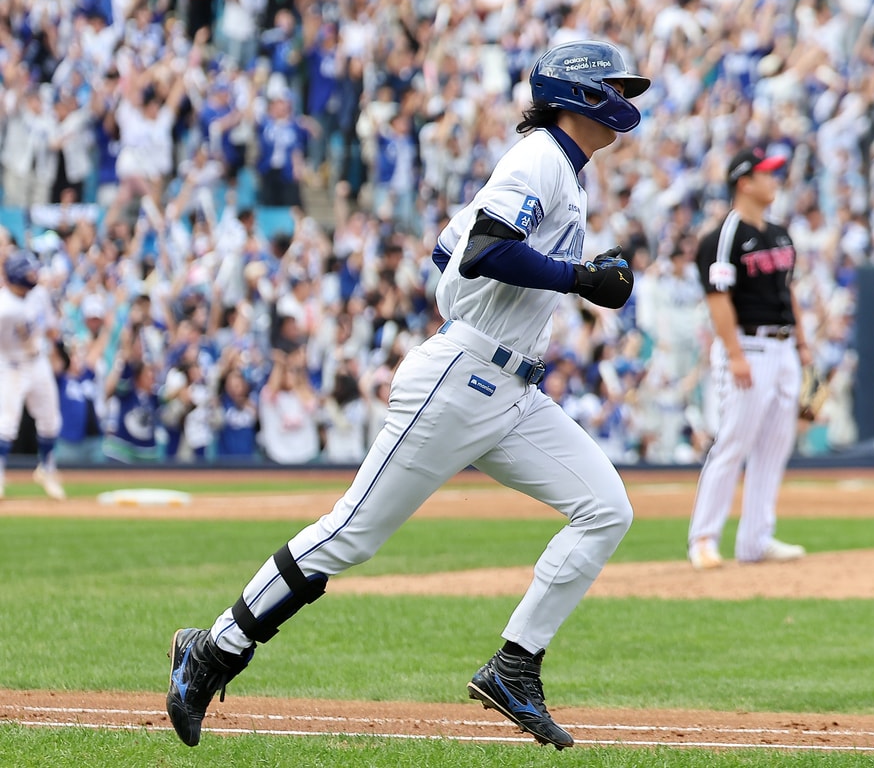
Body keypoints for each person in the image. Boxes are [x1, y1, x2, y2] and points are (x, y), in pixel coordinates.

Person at [166, 40, 649, 751]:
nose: (624, 98)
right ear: (576, 94)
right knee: (350, 534)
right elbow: (485, 248)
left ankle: (515, 665)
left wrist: (545, 277)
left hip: (510, 388)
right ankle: (215, 648)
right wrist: (577, 278)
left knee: (606, 508)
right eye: (612, 84)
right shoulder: (542, 157)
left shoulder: (561, 171)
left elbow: (448, 250)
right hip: (464, 377)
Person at [686, 145, 810, 570]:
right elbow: (717, 297)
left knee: (775, 444)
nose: (775, 179)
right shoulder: (724, 235)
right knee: (734, 441)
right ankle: (703, 538)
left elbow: (789, 291)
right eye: (767, 173)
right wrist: (735, 354)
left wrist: (804, 345)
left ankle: (757, 539)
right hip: (748, 346)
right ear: (744, 182)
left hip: (783, 346)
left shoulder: (779, 233)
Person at [0, 251, 64, 499]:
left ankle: (47, 470)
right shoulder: (4, 307)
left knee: (50, 421)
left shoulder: (39, 294)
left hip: (38, 361)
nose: (34, 274)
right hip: (11, 364)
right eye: (29, 271)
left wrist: (58, 351)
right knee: (6, 424)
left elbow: (49, 327)